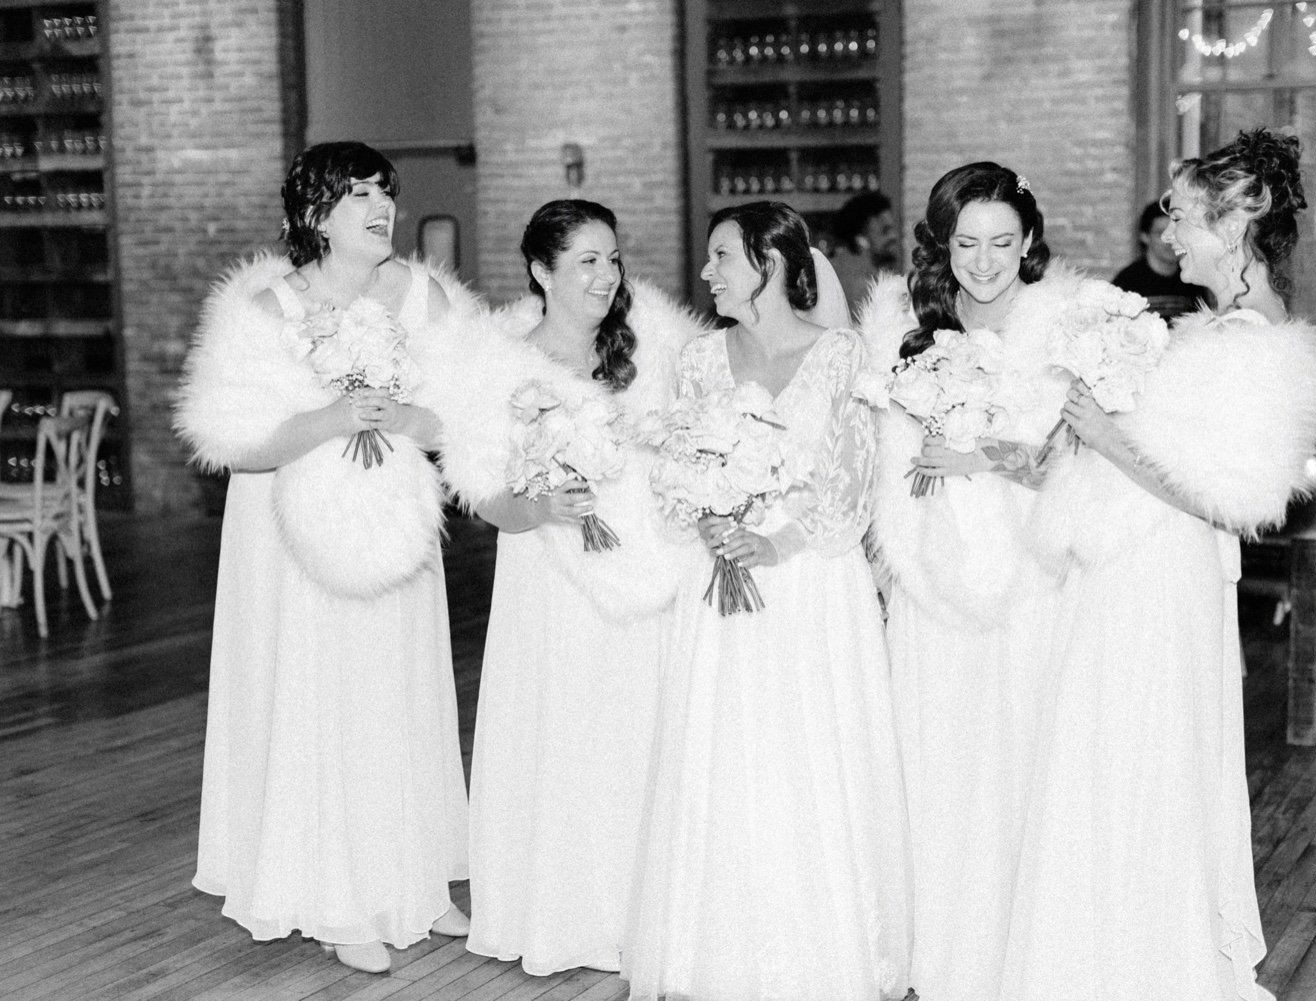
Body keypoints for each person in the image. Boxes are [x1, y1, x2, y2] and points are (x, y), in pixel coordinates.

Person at [1007, 128, 1316, 999]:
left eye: (1184, 214)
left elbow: (1228, 496)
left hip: (1162, 579)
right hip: (1132, 568)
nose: (1169, 231)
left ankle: (1144, 955)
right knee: (1113, 750)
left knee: (1146, 754)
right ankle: (1103, 944)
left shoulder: (1263, 341)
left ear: (1234, 226)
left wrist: (1109, 437)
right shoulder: (1213, 326)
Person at [176, 141, 476, 975]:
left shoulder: (426, 298)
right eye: (357, 196)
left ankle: (414, 883)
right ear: (314, 214)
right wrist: (336, 418)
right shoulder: (267, 308)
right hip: (293, 538)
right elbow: (233, 446)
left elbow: (466, 412)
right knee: (321, 695)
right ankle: (335, 895)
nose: (381, 207)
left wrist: (410, 415)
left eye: (386, 192)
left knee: (397, 691)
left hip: (391, 528)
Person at [621, 202, 911, 1001]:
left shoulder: (839, 355)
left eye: (722, 257)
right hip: (719, 585)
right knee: (724, 757)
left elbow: (853, 485)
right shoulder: (699, 361)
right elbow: (673, 471)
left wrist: (776, 542)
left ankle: (825, 951)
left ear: (772, 264)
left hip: (813, 582)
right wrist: (711, 516)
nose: (707, 273)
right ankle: (718, 949)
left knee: (809, 756)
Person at [426, 200, 704, 973]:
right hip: (546, 573)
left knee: (633, 732)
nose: (606, 275)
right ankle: (560, 911)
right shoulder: (499, 360)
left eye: (612, 258)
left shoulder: (652, 350)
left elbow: (685, 453)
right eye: (586, 260)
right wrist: (539, 505)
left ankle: (638, 910)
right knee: (562, 731)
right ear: (542, 271)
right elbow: (481, 493)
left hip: (638, 573)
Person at [857, 162, 1092, 1001]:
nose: (984, 260)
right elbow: (877, 448)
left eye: (1001, 241)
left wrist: (983, 453)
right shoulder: (901, 322)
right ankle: (938, 952)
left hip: (1023, 573)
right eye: (966, 243)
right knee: (935, 758)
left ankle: (1018, 955)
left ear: (1028, 240)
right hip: (926, 577)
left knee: (1016, 757)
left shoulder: (1064, 327)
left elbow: (1082, 461)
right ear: (942, 243)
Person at [1111, 200, 1211, 319]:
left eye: (1176, 232)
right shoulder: (1126, 282)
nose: (1170, 241)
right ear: (1144, 236)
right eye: (1160, 233)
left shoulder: (1192, 281)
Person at [826, 191, 901, 304]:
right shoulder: (862, 286)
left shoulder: (836, 268)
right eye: (885, 231)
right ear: (860, 238)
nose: (894, 236)